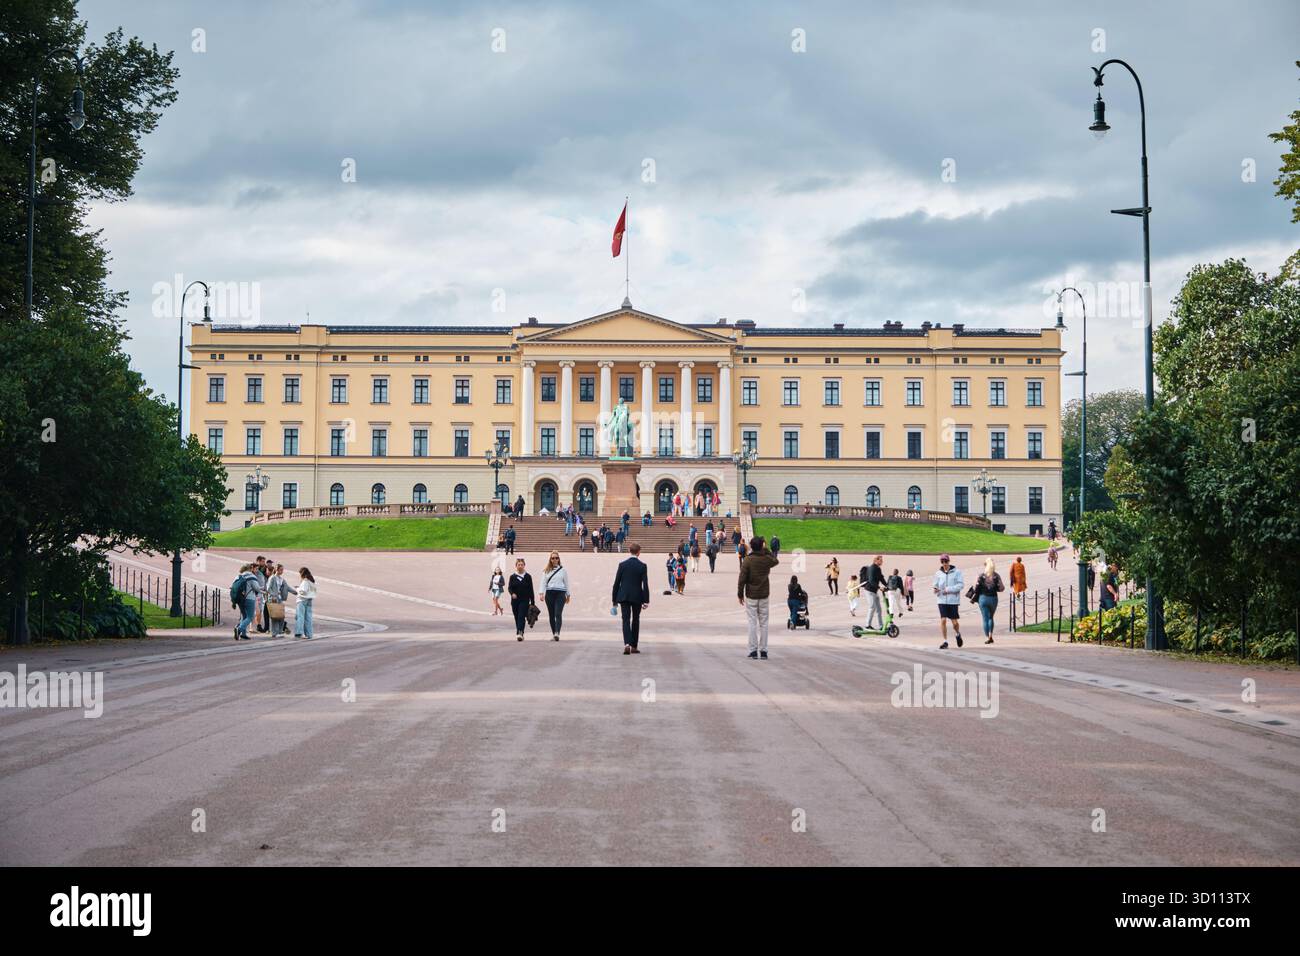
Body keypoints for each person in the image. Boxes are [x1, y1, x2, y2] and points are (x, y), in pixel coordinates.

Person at [738, 536, 779, 660]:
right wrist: (765, 550)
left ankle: (753, 650)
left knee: (752, 623)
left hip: (751, 595)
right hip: (764, 594)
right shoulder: (766, 559)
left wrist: (740, 594)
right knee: (764, 624)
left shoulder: (748, 560)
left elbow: (742, 579)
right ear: (762, 546)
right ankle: (764, 650)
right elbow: (775, 560)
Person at [612, 543, 650, 654]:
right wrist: (646, 600)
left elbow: (616, 583)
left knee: (625, 620)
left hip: (623, 596)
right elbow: (645, 584)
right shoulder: (642, 566)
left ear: (629, 550)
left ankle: (627, 644)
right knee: (636, 620)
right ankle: (634, 645)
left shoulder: (622, 565)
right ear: (639, 552)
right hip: (637, 596)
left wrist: (614, 600)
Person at [933, 554, 964, 649]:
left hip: (953, 601)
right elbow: (935, 585)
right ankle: (945, 641)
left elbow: (961, 585)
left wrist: (948, 589)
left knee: (955, 623)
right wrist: (936, 589)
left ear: (949, 561)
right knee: (943, 620)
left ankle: (958, 634)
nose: (944, 563)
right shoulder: (938, 573)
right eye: (942, 562)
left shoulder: (957, 572)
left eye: (946, 561)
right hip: (941, 600)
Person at [973, 558, 1005, 644]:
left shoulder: (981, 576)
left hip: (983, 598)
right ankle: (991, 634)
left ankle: (987, 637)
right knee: (991, 617)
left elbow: (976, 589)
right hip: (993, 598)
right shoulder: (996, 576)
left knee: (985, 618)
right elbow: (1002, 588)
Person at [541, 551, 570, 641]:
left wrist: (568, 595)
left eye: (556, 558)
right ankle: (554, 633)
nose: (555, 560)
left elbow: (566, 583)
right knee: (551, 614)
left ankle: (557, 632)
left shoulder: (563, 570)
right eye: (553, 558)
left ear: (559, 559)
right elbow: (543, 583)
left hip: (560, 593)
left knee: (558, 613)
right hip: (549, 593)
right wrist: (541, 593)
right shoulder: (546, 570)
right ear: (550, 559)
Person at [507, 558, 535, 641]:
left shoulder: (528, 576)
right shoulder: (512, 576)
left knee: (521, 616)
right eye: (518, 564)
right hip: (515, 601)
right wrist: (512, 594)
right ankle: (520, 631)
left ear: (524, 565)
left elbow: (531, 589)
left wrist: (532, 601)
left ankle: (520, 632)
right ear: (516, 566)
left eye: (522, 564)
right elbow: (509, 588)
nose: (520, 566)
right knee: (516, 616)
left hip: (525, 599)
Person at [232, 563, 260, 640]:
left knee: (244, 616)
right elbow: (256, 588)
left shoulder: (238, 576)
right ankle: (239, 629)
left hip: (240, 599)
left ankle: (243, 634)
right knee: (250, 617)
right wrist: (262, 589)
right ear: (250, 568)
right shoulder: (251, 576)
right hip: (249, 598)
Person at [860, 556, 885, 629]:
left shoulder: (878, 568)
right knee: (872, 607)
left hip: (874, 592)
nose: (882, 561)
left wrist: (887, 585)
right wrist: (879, 587)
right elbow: (871, 580)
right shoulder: (872, 568)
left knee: (879, 609)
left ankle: (881, 626)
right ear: (876, 560)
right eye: (881, 560)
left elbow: (881, 578)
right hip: (869, 591)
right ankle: (868, 625)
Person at [293, 567, 316, 640]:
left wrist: (297, 588)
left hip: (302, 600)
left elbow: (303, 591)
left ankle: (299, 632)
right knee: (308, 618)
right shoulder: (312, 581)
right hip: (309, 600)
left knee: (300, 617)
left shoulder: (305, 581)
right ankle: (309, 634)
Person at [267, 563, 289, 637]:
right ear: (276, 569)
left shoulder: (281, 579)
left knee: (281, 616)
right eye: (281, 569)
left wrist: (296, 592)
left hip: (279, 599)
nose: (282, 571)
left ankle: (279, 631)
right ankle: (274, 633)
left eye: (283, 570)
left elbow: (287, 587)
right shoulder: (272, 578)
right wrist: (273, 595)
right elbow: (268, 588)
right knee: (275, 616)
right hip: (273, 599)